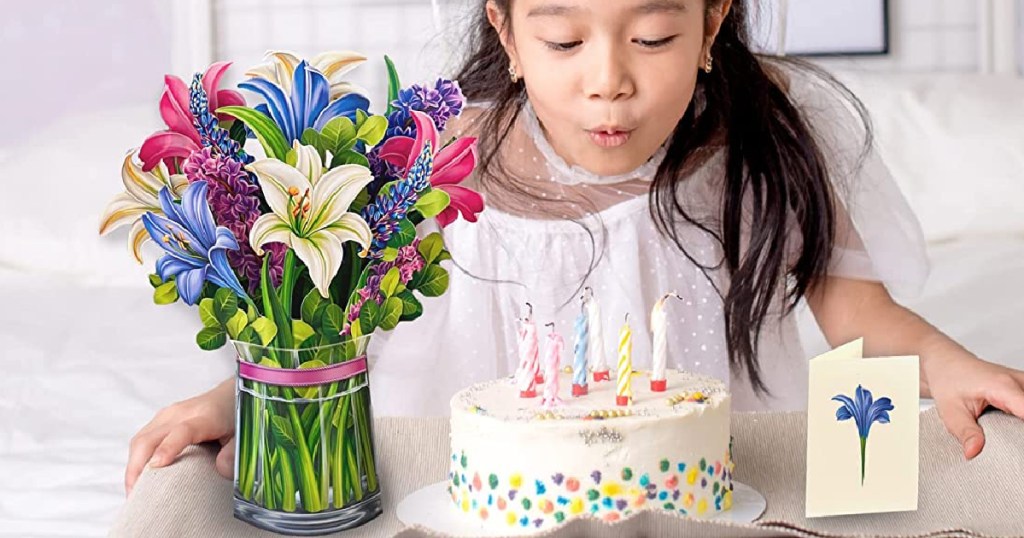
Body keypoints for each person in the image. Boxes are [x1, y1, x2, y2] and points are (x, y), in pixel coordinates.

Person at [125, 0, 1024, 495]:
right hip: (467, 493)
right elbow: (345, 314)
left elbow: (856, 312)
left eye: (653, 36)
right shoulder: (435, 157)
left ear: (713, 25)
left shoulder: (765, 138)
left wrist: (946, 363)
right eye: (563, 38)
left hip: (715, 486)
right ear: (508, 34)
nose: (609, 81)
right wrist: (237, 395)